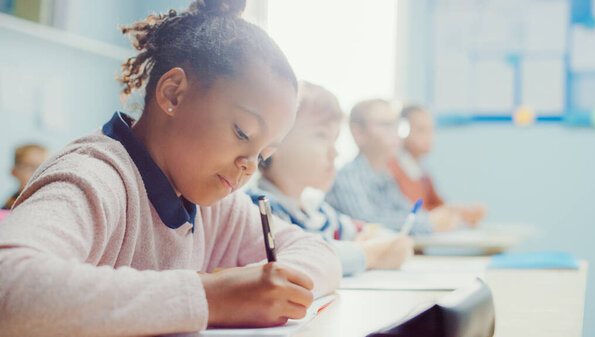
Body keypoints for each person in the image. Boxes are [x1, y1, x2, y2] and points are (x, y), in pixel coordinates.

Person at [0, 1, 341, 336]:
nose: (249, 166)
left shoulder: (215, 206)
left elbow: (319, 254)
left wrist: (264, 288)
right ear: (174, 94)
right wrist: (213, 297)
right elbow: (8, 284)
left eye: (263, 155)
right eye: (242, 133)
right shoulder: (94, 178)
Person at [247, 82, 414, 276]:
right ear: (275, 142)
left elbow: (371, 231)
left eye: (334, 140)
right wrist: (367, 254)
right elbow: (294, 263)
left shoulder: (317, 212)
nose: (334, 153)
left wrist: (379, 242)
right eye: (321, 136)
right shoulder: (259, 209)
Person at [325, 99, 436, 233]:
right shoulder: (346, 177)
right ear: (358, 133)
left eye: (398, 125)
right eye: (386, 125)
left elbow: (409, 211)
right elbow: (368, 222)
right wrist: (429, 222)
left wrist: (428, 220)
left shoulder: (386, 176)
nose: (396, 133)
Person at [389, 105, 486, 227]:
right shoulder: (390, 169)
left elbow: (436, 207)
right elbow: (407, 213)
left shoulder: (421, 172)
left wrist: (463, 212)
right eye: (421, 130)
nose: (429, 137)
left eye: (431, 130)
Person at [2, 144, 49, 210]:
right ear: (14, 172)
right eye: (30, 168)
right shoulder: (10, 206)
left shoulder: (50, 200)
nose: (38, 174)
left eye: (43, 168)